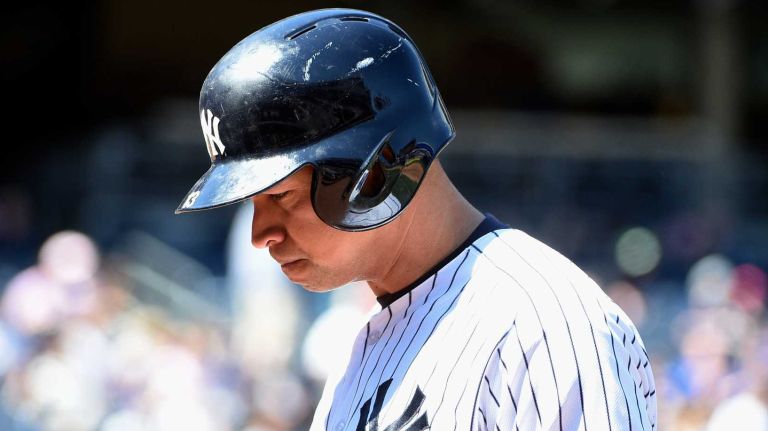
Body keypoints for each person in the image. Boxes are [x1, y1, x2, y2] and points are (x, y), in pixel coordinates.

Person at [176, 8, 657, 430]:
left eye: (280, 195)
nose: (261, 236)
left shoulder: (546, 326)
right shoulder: (361, 348)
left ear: (373, 173)